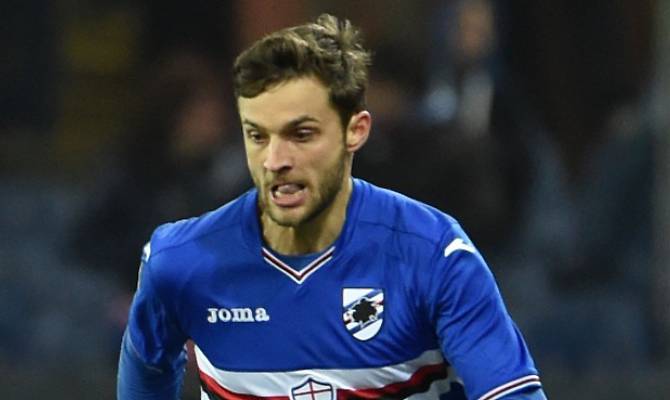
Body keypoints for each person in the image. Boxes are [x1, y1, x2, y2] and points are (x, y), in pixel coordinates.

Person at [117, 14, 547, 400]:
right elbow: (147, 375)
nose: (275, 160)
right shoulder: (179, 262)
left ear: (355, 131)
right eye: (258, 135)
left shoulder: (434, 253)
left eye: (301, 134)